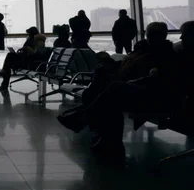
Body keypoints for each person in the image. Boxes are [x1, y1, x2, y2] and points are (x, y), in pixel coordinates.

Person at [58, 22, 180, 158]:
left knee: (113, 90)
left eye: (154, 35)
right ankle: (103, 137)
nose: (151, 38)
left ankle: (90, 124)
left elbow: (160, 80)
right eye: (150, 35)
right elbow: (126, 66)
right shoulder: (146, 50)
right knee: (96, 90)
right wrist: (108, 64)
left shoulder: (166, 55)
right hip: (134, 86)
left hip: (150, 93)